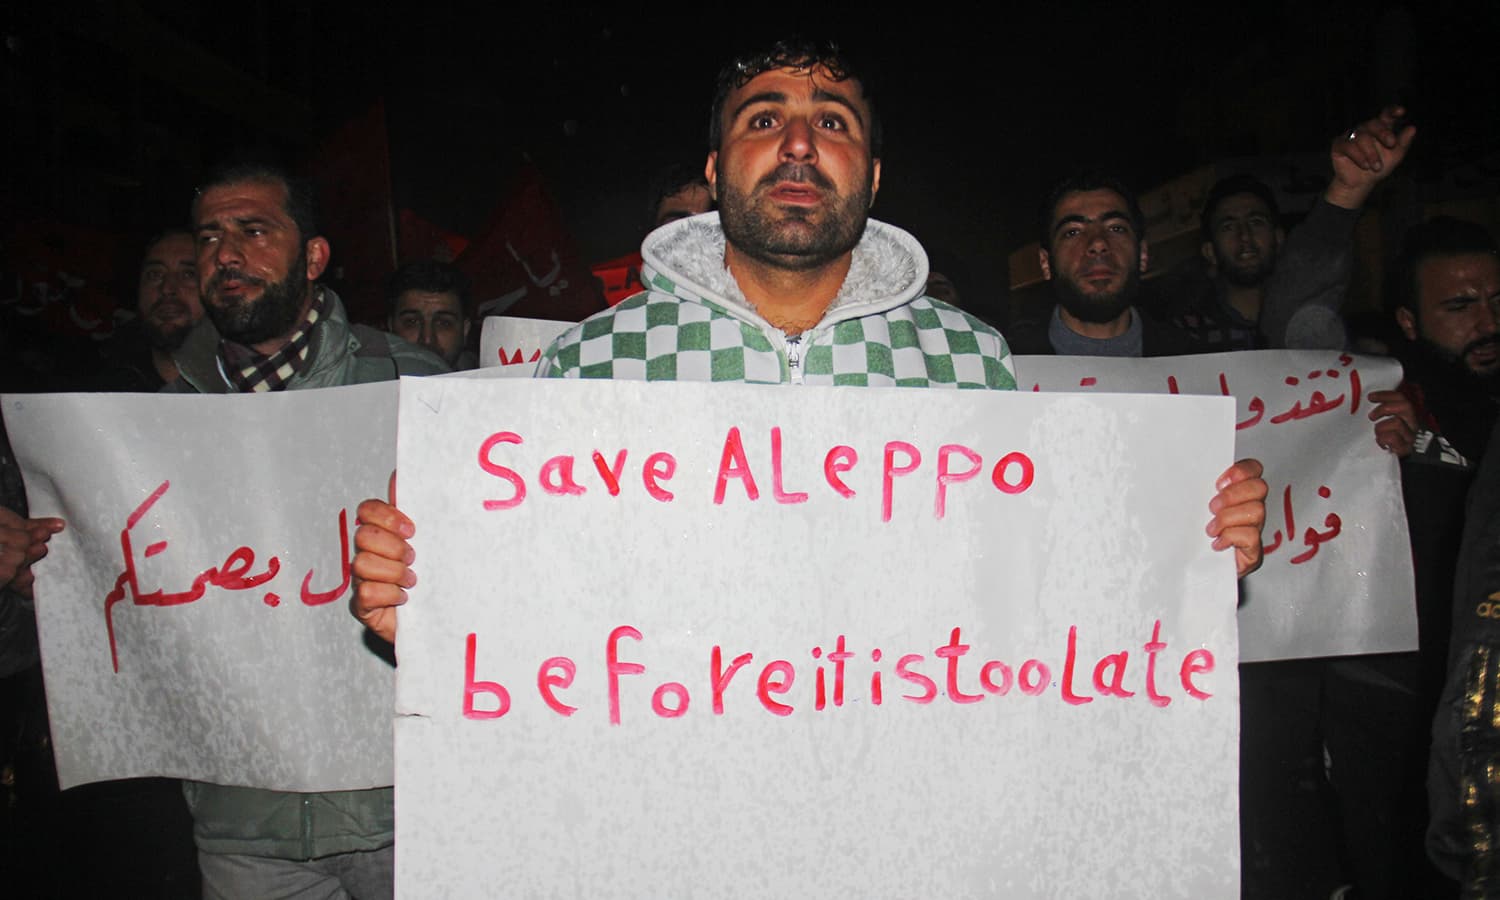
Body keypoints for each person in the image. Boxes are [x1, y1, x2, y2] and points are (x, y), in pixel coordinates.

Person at [348, 38, 1266, 648]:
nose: (797, 143)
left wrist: (1183, 551)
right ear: (716, 171)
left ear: (870, 173)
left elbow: (1026, 594)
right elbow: (535, 614)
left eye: (832, 121)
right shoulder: (588, 365)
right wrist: (426, 602)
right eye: (762, 119)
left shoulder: (969, 363)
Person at [169, 160, 446, 899]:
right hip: (244, 822)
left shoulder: (414, 386)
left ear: (313, 256)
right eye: (209, 238)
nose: (226, 255)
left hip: (406, 807)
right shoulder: (152, 424)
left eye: (254, 231)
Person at [1165, 107, 1416, 352]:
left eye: (1256, 222)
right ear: (1209, 251)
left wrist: (1348, 190)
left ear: (1279, 237)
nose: (1245, 237)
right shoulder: (1182, 339)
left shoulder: (1327, 327)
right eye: (1228, 226)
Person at [1006, 170, 1202, 357]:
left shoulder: (1196, 361)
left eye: (1116, 228)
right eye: (1073, 232)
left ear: (1142, 254)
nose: (1098, 243)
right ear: (1045, 263)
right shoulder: (1006, 369)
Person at [95, 229, 205, 390]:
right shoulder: (96, 388)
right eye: (155, 274)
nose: (167, 288)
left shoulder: (247, 385)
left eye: (189, 274)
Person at [386, 260, 476, 370]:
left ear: (465, 330)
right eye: (412, 322)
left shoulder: (490, 383)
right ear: (391, 327)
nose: (427, 340)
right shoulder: (365, 381)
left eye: (443, 323)